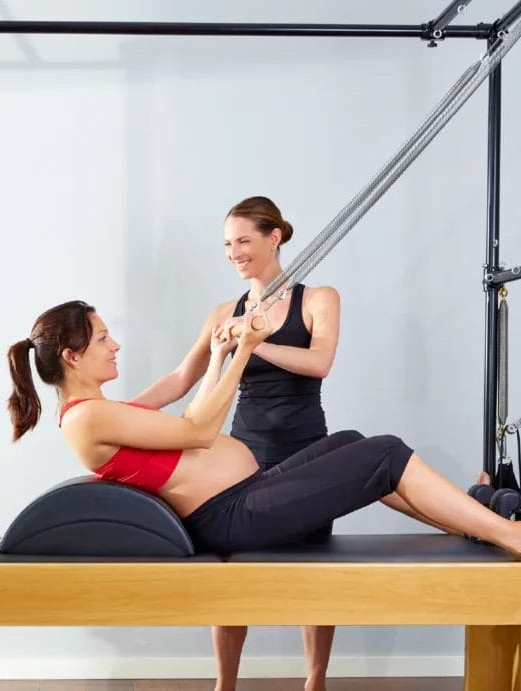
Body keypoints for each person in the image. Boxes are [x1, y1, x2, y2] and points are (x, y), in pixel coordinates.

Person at [6, 300, 521, 685]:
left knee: (351, 443)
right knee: (385, 453)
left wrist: (221, 356)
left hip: (244, 497)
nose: (115, 345)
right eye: (103, 338)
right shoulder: (87, 418)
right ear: (73, 356)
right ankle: (520, 538)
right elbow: (199, 430)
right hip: (232, 516)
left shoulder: (97, 410)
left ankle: (480, 528)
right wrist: (245, 350)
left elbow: (191, 412)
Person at [133, 195, 342, 691]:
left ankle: (315, 682)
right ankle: (224, 684)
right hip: (240, 455)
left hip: (305, 449)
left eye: (243, 241)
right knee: (232, 574)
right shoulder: (224, 313)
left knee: (313, 571)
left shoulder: (319, 299)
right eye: (227, 244)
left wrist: (251, 341)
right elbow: (180, 379)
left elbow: (319, 363)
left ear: (274, 238)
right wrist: (120, 412)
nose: (234, 253)